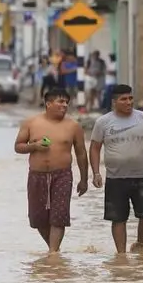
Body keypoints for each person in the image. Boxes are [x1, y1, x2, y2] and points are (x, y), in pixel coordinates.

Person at [89, 84, 143, 253]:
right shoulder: (103, 122)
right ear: (114, 102)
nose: (128, 102)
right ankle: (121, 254)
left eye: (130, 98)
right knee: (118, 218)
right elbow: (95, 147)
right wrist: (96, 172)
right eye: (123, 99)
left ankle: (140, 244)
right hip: (115, 178)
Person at [14, 88, 89, 253]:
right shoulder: (31, 123)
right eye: (60, 102)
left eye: (66, 102)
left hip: (62, 175)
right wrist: (34, 146)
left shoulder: (73, 126)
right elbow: (18, 146)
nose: (65, 105)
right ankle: (53, 249)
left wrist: (84, 179)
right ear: (48, 104)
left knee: (59, 216)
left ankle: (53, 254)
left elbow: (81, 153)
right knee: (38, 219)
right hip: (36, 175)